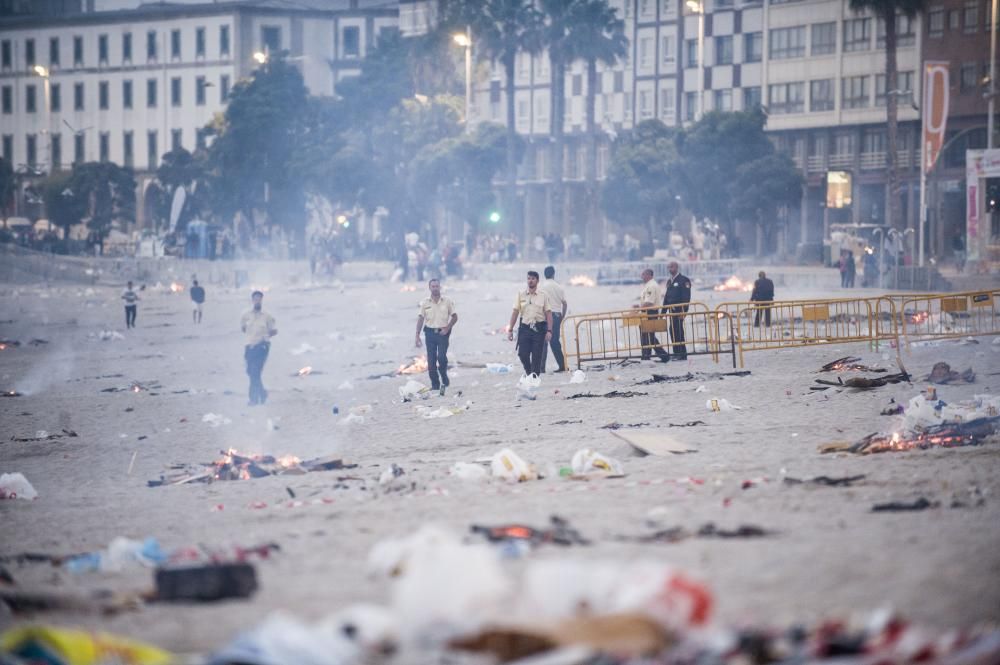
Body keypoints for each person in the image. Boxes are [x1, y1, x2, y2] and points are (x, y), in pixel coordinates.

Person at [415, 278, 458, 396]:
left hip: (443, 333)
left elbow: (455, 317)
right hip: (429, 333)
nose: (435, 288)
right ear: (429, 288)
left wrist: (447, 328)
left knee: (442, 357)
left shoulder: (447, 301)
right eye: (433, 286)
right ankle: (435, 384)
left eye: (437, 286)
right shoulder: (425, 303)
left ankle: (443, 374)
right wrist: (417, 335)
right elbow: (420, 318)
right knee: (431, 361)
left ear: (440, 287)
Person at [507, 271, 553, 376]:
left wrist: (549, 331)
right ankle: (529, 373)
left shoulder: (543, 295)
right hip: (525, 329)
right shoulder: (521, 294)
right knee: (522, 354)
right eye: (528, 278)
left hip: (539, 329)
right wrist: (510, 330)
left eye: (532, 279)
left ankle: (534, 377)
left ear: (537, 281)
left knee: (537, 356)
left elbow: (548, 314)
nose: (530, 281)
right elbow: (515, 312)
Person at [240, 290, 277, 406]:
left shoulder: (267, 316)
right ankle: (262, 393)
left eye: (259, 299)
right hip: (249, 346)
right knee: (251, 372)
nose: (257, 301)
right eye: (255, 299)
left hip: (262, 347)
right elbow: (243, 329)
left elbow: (273, 331)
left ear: (262, 300)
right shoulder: (246, 315)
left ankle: (253, 399)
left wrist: (265, 336)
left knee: (255, 371)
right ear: (252, 300)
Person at [634, 269, 669, 362]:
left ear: (649, 275)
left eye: (643, 274)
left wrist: (639, 308)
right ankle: (647, 355)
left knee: (649, 335)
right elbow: (646, 301)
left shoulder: (652, 286)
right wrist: (639, 306)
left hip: (650, 313)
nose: (642, 277)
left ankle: (661, 355)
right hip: (646, 312)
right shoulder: (648, 286)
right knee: (646, 335)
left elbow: (649, 302)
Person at [539, 266, 567, 372]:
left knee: (543, 343)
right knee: (555, 341)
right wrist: (562, 316)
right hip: (556, 315)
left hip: (545, 315)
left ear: (545, 274)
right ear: (553, 274)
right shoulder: (559, 287)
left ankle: (541, 368)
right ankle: (562, 365)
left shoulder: (541, 287)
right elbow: (564, 303)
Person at [662, 261, 691, 360]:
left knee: (678, 330)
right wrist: (663, 312)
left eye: (671, 267)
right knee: (673, 330)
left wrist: (684, 312)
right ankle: (676, 352)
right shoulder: (670, 281)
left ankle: (682, 353)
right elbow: (666, 298)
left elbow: (686, 298)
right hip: (671, 311)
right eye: (668, 267)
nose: (670, 269)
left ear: (676, 267)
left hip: (679, 311)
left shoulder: (684, 280)